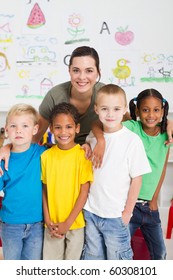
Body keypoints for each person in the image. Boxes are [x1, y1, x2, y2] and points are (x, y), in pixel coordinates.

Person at [81, 84, 151, 260]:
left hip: (115, 215)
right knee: (92, 258)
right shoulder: (94, 136)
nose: (110, 114)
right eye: (105, 109)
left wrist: (127, 212)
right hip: (91, 211)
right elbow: (88, 149)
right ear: (96, 109)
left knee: (117, 260)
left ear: (125, 110)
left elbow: (137, 179)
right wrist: (86, 146)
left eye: (116, 109)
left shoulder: (132, 141)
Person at [123, 88, 171, 260]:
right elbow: (108, 119)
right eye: (145, 110)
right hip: (127, 205)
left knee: (160, 253)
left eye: (156, 110)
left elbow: (162, 169)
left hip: (149, 207)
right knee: (122, 253)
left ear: (163, 111)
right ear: (137, 111)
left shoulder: (167, 133)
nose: (151, 115)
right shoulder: (132, 128)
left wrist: (154, 199)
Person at [41, 102, 93, 260]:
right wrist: (48, 219)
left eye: (69, 127)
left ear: (77, 128)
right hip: (51, 226)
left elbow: (84, 193)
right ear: (51, 128)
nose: (63, 132)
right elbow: (44, 190)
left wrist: (67, 223)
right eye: (58, 127)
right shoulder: (46, 157)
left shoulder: (83, 156)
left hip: (75, 224)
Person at [0, 103, 46, 260]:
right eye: (13, 126)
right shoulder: (3, 161)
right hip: (11, 225)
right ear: (6, 130)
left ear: (35, 129)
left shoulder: (43, 153)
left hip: (37, 224)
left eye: (25, 126)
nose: (18, 130)